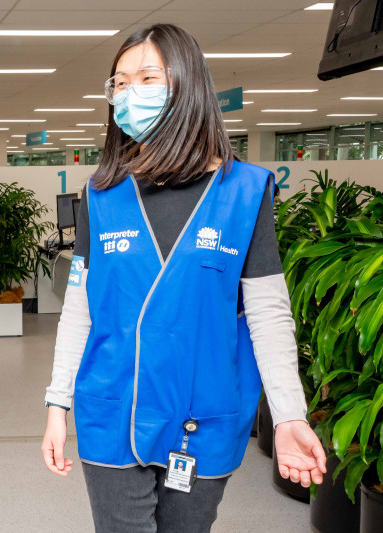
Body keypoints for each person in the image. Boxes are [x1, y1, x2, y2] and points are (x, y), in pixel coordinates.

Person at [41, 24, 326, 533]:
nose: (130, 94)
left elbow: (267, 314)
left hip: (203, 414)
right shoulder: (102, 195)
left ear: (188, 85)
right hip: (112, 406)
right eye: (120, 84)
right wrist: (57, 403)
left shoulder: (244, 192)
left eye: (148, 77)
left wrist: (288, 416)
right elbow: (80, 310)